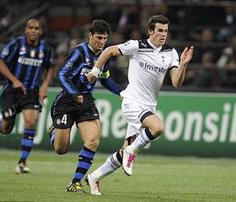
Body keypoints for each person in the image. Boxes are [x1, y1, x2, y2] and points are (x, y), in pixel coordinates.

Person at [86, 15, 194, 195]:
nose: (163, 34)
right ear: (150, 31)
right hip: (132, 101)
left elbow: (176, 82)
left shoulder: (170, 53)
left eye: (166, 31)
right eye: (159, 30)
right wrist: (95, 71)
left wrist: (183, 65)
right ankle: (132, 152)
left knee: (123, 152)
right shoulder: (137, 46)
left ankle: (94, 177)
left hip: (149, 106)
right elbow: (109, 51)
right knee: (158, 127)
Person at [48, 19, 122, 193]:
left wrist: (121, 92)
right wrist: (74, 93)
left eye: (104, 38)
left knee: (93, 140)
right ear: (90, 35)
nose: (101, 42)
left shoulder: (104, 56)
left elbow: (105, 79)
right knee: (61, 149)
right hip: (67, 100)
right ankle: (53, 131)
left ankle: (75, 182)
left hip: (86, 101)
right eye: (98, 37)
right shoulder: (79, 53)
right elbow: (62, 75)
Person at [0, 18, 53, 174]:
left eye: (37, 28)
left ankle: (22, 162)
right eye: (31, 28)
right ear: (26, 30)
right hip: (12, 91)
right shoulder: (16, 44)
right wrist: (14, 80)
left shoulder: (45, 48)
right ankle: (1, 122)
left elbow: (49, 68)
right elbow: (0, 63)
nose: (34, 30)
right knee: (7, 128)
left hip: (32, 92)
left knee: (30, 122)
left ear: (41, 31)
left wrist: (44, 86)